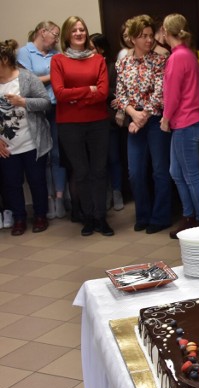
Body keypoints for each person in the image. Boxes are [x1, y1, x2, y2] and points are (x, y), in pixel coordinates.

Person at [51, 16, 113, 236]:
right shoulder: (58, 60)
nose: (79, 33)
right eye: (75, 30)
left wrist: (75, 96)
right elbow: (59, 93)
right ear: (68, 34)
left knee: (99, 170)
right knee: (81, 172)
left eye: (82, 30)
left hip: (98, 122)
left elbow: (104, 92)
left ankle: (100, 218)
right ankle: (88, 217)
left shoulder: (97, 59)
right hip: (69, 125)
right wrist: (89, 90)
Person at [115, 15, 172, 234]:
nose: (149, 40)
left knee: (160, 171)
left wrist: (143, 116)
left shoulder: (160, 60)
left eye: (150, 35)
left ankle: (161, 217)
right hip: (134, 120)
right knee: (135, 172)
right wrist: (132, 113)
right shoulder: (123, 63)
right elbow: (120, 95)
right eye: (143, 36)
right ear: (132, 39)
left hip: (155, 120)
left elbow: (160, 93)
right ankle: (143, 215)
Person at [160, 13, 199, 238]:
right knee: (176, 172)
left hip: (186, 122)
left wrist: (166, 118)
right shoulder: (187, 54)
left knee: (190, 175)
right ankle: (190, 215)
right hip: (188, 122)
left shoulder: (178, 57)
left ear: (166, 31)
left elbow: (173, 93)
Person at [0, 39, 52, 235]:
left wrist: (23, 102)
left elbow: (45, 102)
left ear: (4, 59)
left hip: (32, 142)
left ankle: (40, 216)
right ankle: (19, 218)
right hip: (7, 147)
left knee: (37, 181)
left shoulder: (27, 78)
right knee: (11, 184)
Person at [17, 21, 67, 220]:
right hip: (35, 110)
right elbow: (25, 82)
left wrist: (49, 78)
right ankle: (47, 200)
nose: (56, 39)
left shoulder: (57, 55)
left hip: (57, 108)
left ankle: (60, 199)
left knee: (57, 155)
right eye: (54, 34)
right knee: (41, 155)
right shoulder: (24, 52)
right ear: (42, 32)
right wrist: (54, 77)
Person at [90, 33, 124, 212]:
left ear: (100, 49)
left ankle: (117, 191)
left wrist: (100, 91)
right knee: (98, 161)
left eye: (91, 48)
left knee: (113, 157)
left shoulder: (112, 66)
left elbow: (117, 90)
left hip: (109, 120)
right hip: (91, 120)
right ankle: (107, 191)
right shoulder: (86, 67)